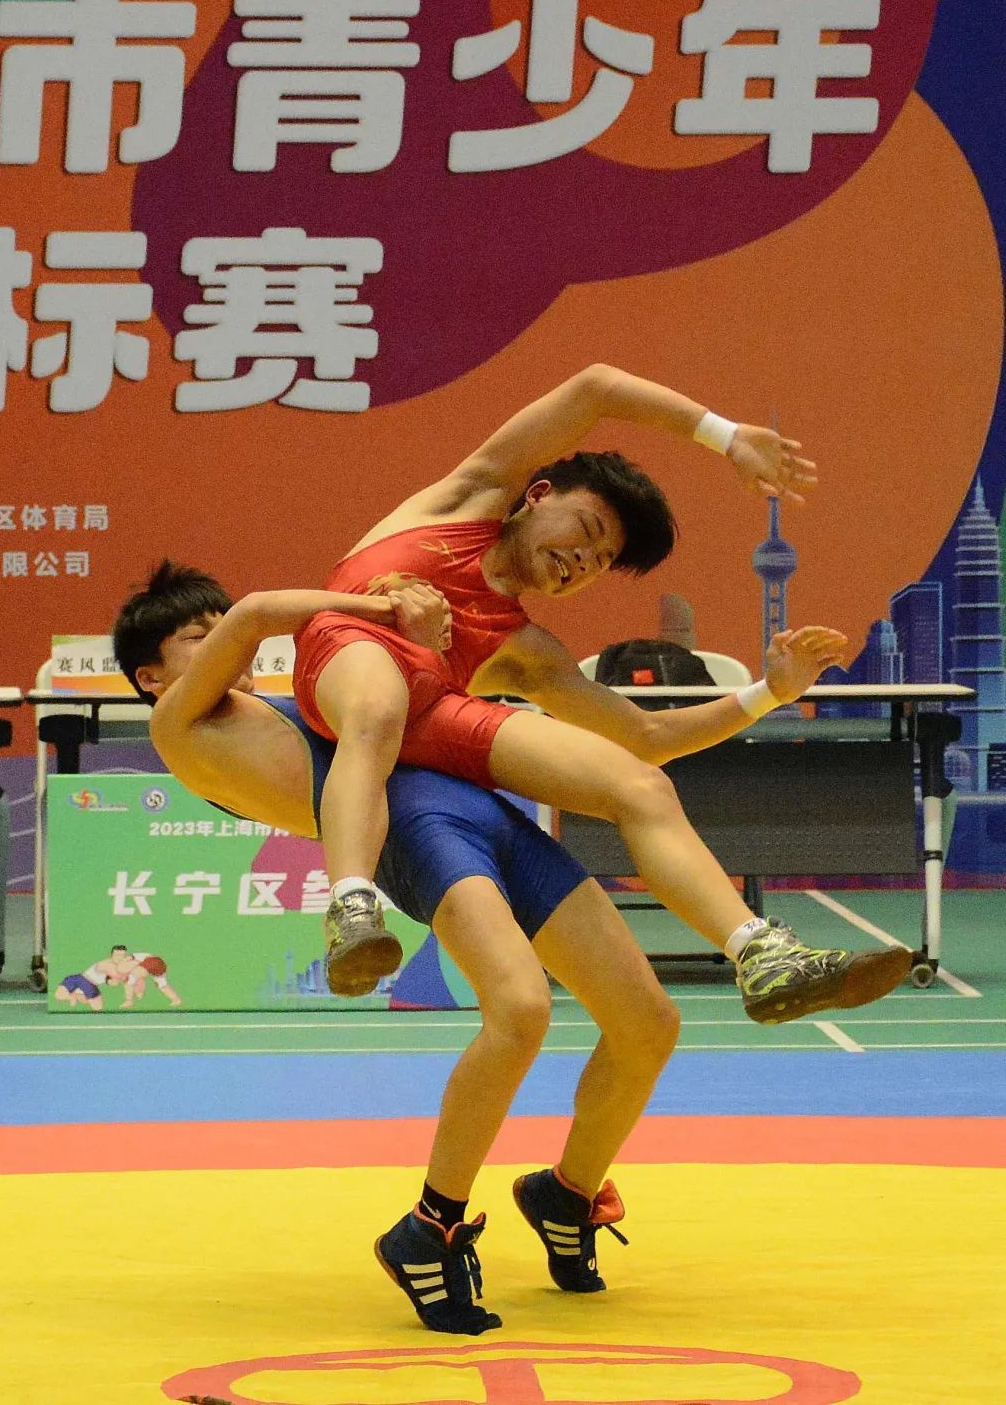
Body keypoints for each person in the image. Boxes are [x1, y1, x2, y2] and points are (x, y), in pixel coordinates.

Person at [115, 561, 906, 1335]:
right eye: (198, 636)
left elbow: (644, 739)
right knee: (521, 1009)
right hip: (421, 839)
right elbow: (257, 611)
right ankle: (431, 1226)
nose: (224, 639)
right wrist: (383, 609)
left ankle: (567, 1195)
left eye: (217, 626)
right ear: (151, 677)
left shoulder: (330, 694)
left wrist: (769, 692)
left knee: (647, 1023)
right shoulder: (179, 726)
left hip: (488, 817)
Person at [289, 362, 910, 1019]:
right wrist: (725, 436)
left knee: (639, 784)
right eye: (585, 531)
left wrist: (770, 693)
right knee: (380, 704)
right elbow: (596, 388)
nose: (584, 560)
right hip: (342, 649)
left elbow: (647, 735)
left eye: (601, 561)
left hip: (427, 713)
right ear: (538, 495)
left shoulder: (526, 652)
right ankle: (352, 904)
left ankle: (760, 952)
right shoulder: (466, 500)